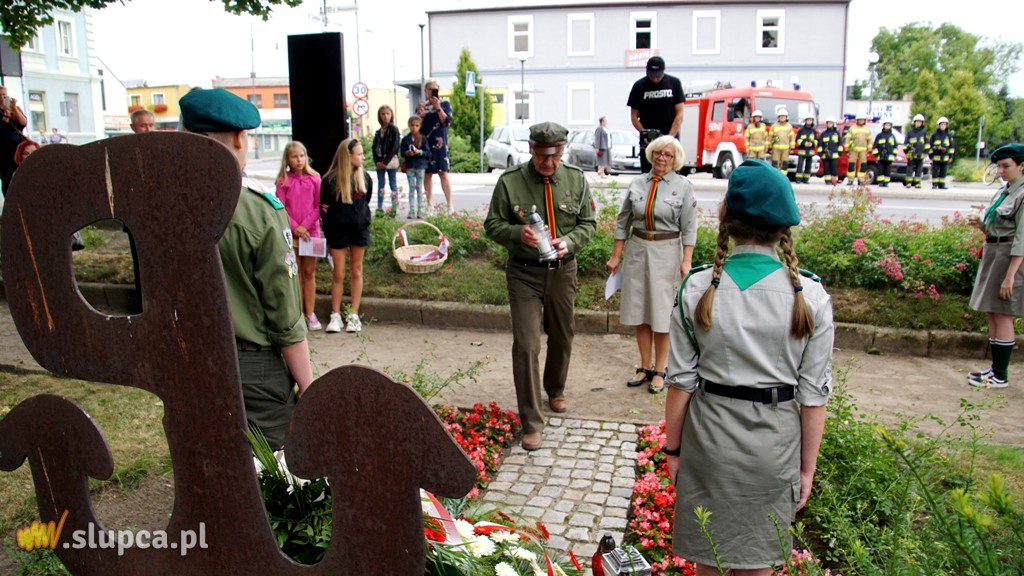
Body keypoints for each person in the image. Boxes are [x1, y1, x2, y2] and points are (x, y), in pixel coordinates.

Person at [664, 158, 833, 575]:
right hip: (774, 447)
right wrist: (806, 468)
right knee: (759, 561)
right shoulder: (809, 296)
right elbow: (814, 397)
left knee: (708, 558)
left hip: (710, 440)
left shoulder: (699, 286)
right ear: (784, 228)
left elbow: (680, 384)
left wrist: (672, 450)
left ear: (726, 218)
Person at [179, 88, 314, 450]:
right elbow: (284, 317)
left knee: (205, 460)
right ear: (240, 139)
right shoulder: (258, 211)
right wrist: (308, 383)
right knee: (268, 479)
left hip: (186, 359)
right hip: (252, 368)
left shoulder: (161, 206)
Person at [483, 122, 596, 451]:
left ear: (563, 149)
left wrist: (570, 241)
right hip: (524, 273)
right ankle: (531, 420)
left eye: (555, 155)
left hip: (562, 270)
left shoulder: (575, 178)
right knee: (527, 344)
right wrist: (519, 234)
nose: (548, 162)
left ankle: (555, 388)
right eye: (542, 155)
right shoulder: (510, 181)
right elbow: (492, 224)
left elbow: (588, 224)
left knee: (563, 335)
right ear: (531, 148)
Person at [607, 135, 696, 394]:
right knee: (639, 310)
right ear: (651, 154)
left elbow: (689, 227)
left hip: (667, 253)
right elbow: (623, 221)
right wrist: (616, 255)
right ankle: (644, 367)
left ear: (675, 158)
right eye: (658, 152)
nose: (662, 158)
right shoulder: (637, 183)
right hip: (637, 250)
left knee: (662, 313)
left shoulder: (683, 186)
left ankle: (660, 369)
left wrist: (686, 261)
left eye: (668, 154)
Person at [966, 143, 1024, 389]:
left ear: (1022, 166)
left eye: (1006, 166)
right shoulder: (1006, 191)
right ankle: (994, 370)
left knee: (1002, 313)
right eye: (999, 166)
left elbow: (1021, 238)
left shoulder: (1022, 194)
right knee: (992, 311)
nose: (1001, 170)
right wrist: (981, 225)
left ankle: (1000, 375)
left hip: (1009, 258)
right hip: (994, 252)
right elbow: (998, 225)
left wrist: (1010, 276)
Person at [320, 138, 373, 334]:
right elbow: (324, 209)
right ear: (347, 156)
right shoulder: (330, 181)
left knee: (356, 270)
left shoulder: (365, 178)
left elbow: (365, 202)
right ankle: (335, 315)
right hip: (337, 231)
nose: (363, 157)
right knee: (338, 273)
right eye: (359, 154)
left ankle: (354, 314)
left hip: (359, 230)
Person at [275, 141, 323, 331]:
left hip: (311, 235)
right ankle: (297, 315)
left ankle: (310, 313)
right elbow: (281, 207)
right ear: (287, 159)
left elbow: (318, 206)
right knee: (294, 274)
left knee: (309, 273)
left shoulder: (315, 179)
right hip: (292, 235)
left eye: (302, 155)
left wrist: (305, 226)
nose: (299, 160)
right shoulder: (283, 181)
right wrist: (296, 227)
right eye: (294, 156)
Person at [627, 56, 685, 174]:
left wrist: (669, 137)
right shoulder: (639, 86)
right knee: (648, 174)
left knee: (671, 173)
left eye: (658, 75)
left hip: (670, 136)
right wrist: (645, 133)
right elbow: (634, 116)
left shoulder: (674, 83)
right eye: (652, 75)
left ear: (663, 70)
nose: (655, 79)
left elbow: (680, 113)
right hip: (649, 140)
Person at [420, 79, 454, 215]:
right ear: (425, 91)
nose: (431, 91)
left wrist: (438, 106)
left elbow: (447, 122)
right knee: (427, 174)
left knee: (443, 173)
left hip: (440, 145)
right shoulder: (422, 106)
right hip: (426, 144)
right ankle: (429, 205)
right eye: (429, 89)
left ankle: (450, 206)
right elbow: (417, 124)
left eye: (434, 88)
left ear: (438, 89)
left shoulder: (445, 104)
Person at [372, 105, 401, 215]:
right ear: (379, 116)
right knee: (380, 185)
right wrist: (377, 162)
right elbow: (374, 148)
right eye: (383, 114)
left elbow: (395, 147)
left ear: (391, 115)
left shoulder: (393, 129)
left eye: (388, 113)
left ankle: (393, 210)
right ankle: (379, 209)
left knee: (393, 184)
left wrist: (385, 162)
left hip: (390, 162)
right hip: (380, 163)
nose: (385, 116)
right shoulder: (378, 131)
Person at [0, 85, 28, 196]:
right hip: (4, 154)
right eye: (0, 95)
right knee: (7, 180)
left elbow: (23, 123)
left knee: (23, 176)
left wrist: (14, 109)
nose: (3, 97)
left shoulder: (15, 109)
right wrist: (6, 112)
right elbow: (2, 128)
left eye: (4, 95)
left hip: (19, 150)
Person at [401, 115, 429, 219]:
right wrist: (408, 153)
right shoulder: (405, 139)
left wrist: (419, 152)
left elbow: (428, 152)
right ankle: (412, 211)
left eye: (417, 125)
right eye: (412, 125)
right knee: (412, 188)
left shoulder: (423, 138)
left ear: (420, 126)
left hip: (420, 166)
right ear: (409, 125)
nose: (414, 127)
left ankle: (420, 211)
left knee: (419, 188)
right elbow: (402, 153)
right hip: (410, 167)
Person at [844, 113, 872, 185]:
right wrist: (847, 148)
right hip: (853, 150)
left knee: (863, 165)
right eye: (860, 120)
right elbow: (847, 138)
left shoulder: (867, 129)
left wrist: (869, 149)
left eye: (863, 120)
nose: (861, 121)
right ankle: (850, 180)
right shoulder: (852, 128)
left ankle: (861, 180)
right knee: (851, 165)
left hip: (863, 150)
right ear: (857, 120)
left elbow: (869, 140)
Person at [903, 113, 929, 189]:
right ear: (914, 123)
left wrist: (926, 152)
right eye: (917, 122)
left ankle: (917, 183)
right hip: (911, 155)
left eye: (920, 122)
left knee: (919, 169)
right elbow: (905, 144)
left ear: (922, 123)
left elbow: (927, 143)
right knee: (910, 169)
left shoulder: (924, 132)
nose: (918, 123)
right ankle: (908, 183)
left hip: (920, 154)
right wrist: (907, 153)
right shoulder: (910, 132)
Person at [929, 116, 955, 190]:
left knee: (943, 172)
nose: (943, 126)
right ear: (939, 125)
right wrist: (931, 156)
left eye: (944, 124)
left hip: (945, 158)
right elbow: (930, 146)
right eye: (942, 124)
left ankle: (942, 185)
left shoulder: (949, 136)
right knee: (935, 172)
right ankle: (934, 184)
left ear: (946, 125)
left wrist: (951, 157)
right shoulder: (934, 135)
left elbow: (951, 147)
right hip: (936, 158)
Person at [872, 119, 897, 187]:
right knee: (881, 169)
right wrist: (876, 155)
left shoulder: (892, 136)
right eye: (886, 125)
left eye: (889, 125)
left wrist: (894, 155)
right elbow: (875, 146)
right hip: (881, 156)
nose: (887, 126)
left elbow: (895, 146)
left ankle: (886, 183)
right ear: (883, 126)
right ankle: (880, 182)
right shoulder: (879, 136)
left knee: (888, 170)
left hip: (889, 157)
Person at [818, 116, 842, 185]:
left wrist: (839, 152)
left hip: (834, 155)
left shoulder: (837, 133)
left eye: (831, 123)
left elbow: (840, 143)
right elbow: (820, 144)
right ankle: (827, 181)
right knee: (826, 169)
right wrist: (820, 153)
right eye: (828, 123)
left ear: (834, 124)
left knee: (834, 168)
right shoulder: (824, 134)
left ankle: (834, 181)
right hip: (825, 155)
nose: (829, 124)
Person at [768, 109, 795, 173]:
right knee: (775, 163)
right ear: (778, 117)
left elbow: (792, 137)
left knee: (785, 163)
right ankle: (775, 176)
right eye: (781, 116)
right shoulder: (774, 126)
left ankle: (783, 176)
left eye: (784, 116)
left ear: (786, 117)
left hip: (786, 149)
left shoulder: (789, 126)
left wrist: (792, 147)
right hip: (776, 148)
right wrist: (769, 147)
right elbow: (770, 137)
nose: (782, 118)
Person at [794, 115, 818, 184]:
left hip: (810, 152)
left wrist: (812, 143)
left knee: (808, 166)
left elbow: (816, 140)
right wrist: (804, 143)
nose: (809, 121)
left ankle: (806, 179)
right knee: (800, 166)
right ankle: (798, 179)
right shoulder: (801, 130)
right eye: (808, 120)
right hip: (802, 151)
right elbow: (797, 140)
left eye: (810, 120)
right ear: (805, 121)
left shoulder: (814, 131)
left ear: (812, 121)